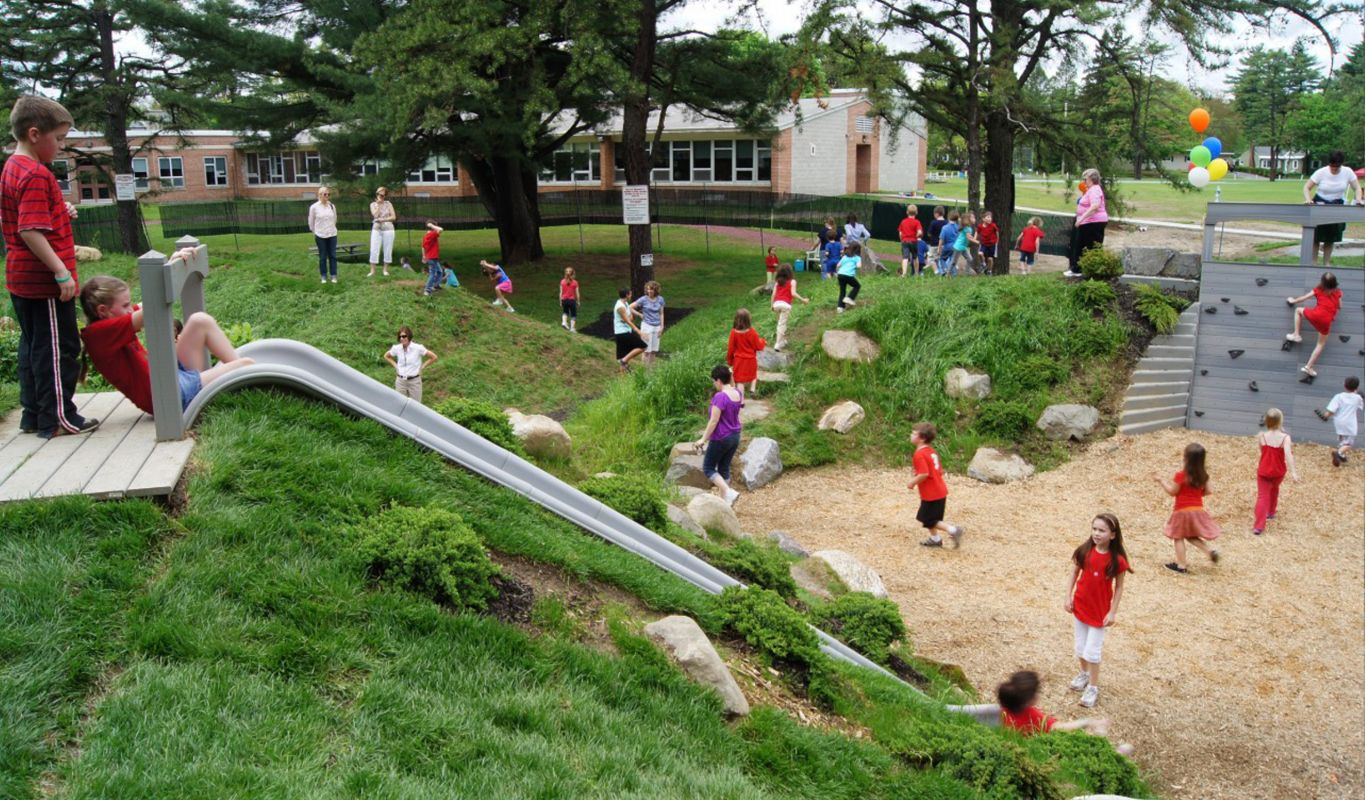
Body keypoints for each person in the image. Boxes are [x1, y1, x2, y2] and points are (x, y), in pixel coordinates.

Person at [3, 96, 99, 438]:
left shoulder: (12, 167)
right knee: (59, 350)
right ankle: (59, 417)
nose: (61, 146)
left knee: (33, 348)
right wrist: (61, 271)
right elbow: (29, 229)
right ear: (33, 134)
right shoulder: (35, 174)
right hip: (44, 283)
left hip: (21, 280)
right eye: (58, 139)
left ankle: (34, 415)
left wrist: (60, 210)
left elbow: (25, 215)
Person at [78, 273, 255, 415]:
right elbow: (153, 306)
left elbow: (146, 304)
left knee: (199, 321)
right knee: (246, 365)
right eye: (125, 305)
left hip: (172, 378)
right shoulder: (98, 334)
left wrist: (174, 264)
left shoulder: (111, 324)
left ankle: (244, 383)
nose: (130, 309)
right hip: (169, 397)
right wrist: (172, 271)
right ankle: (252, 385)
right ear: (103, 310)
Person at [1064, 513, 1131, 708]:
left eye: (1102, 530)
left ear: (1112, 535)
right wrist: (1068, 596)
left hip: (1099, 613)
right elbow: (1074, 573)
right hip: (1081, 607)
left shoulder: (1117, 560)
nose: (1096, 533)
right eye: (1094, 529)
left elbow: (1119, 587)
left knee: (1092, 651)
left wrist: (1112, 612)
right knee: (1080, 646)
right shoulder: (1085, 551)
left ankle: (1093, 687)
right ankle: (1084, 674)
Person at [997, 671, 1134, 755]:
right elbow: (1061, 728)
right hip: (1043, 750)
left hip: (1022, 748)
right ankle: (1114, 754)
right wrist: (1088, 722)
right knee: (1081, 748)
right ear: (1030, 700)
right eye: (1038, 691)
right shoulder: (1031, 715)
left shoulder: (1006, 707)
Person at [1156, 443, 1221, 574]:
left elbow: (1172, 492)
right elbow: (1209, 491)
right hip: (1198, 510)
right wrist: (1196, 494)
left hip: (1182, 511)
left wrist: (1161, 481)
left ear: (1186, 459)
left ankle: (1181, 565)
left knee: (1178, 537)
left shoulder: (1181, 475)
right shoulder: (1204, 476)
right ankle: (1209, 552)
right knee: (1191, 536)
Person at [908, 422, 964, 549]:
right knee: (932, 518)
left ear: (921, 438)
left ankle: (954, 530)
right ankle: (935, 539)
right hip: (940, 490)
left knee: (928, 519)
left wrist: (912, 482)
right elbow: (938, 471)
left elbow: (924, 474)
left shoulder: (919, 454)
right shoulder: (931, 451)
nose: (911, 435)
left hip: (931, 493)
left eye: (914, 433)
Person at [693, 364, 743, 506]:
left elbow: (714, 420)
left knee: (708, 468)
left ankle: (728, 492)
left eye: (714, 381)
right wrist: (731, 374)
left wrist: (703, 439)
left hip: (721, 437)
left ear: (719, 381)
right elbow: (732, 384)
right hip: (735, 436)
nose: (714, 384)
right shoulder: (737, 393)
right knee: (724, 468)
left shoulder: (720, 397)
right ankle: (724, 503)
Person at [1303, 150, 1363, 265]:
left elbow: (1357, 188)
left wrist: (1359, 199)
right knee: (1316, 236)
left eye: (1337, 167)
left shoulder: (1347, 171)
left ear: (1341, 164)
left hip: (1337, 205)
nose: (1334, 169)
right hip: (1320, 204)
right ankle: (1313, 262)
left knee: (1331, 237)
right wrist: (1308, 199)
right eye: (1332, 166)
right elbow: (1307, 187)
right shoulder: (1321, 172)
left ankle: (1326, 263)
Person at [1285, 271, 1342, 377]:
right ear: (1335, 283)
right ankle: (1308, 367)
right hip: (1326, 321)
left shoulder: (1318, 290)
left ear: (1322, 282)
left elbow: (1304, 297)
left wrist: (1293, 300)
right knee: (1320, 344)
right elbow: (1340, 306)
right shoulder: (1338, 292)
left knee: (1298, 310)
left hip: (1315, 315)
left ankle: (1296, 334)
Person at [1253, 408, 1298, 534]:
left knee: (1262, 497)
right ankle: (1271, 512)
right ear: (1280, 421)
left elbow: (1262, 451)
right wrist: (1293, 472)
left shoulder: (1262, 436)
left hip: (1264, 471)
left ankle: (1259, 526)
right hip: (1278, 471)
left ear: (1266, 421)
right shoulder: (1285, 438)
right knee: (1274, 489)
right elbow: (1289, 455)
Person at [1067, 169, 1108, 277]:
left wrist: (1081, 219)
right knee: (1080, 245)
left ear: (1091, 179)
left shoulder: (1095, 190)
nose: (1084, 181)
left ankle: (1087, 270)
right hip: (1088, 222)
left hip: (1093, 223)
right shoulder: (1090, 190)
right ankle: (1078, 269)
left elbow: (1095, 206)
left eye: (1085, 179)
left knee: (1090, 246)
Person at [1316, 376, 1364, 467]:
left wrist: (1325, 416)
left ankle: (1341, 455)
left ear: (1344, 385)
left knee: (1343, 440)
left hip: (1338, 422)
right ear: (1357, 387)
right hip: (1350, 424)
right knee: (1349, 443)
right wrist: (1358, 394)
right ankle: (1338, 453)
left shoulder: (1338, 396)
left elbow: (1331, 410)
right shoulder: (1358, 398)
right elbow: (1361, 404)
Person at [383, 325, 437, 404]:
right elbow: (386, 356)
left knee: (416, 406)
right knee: (399, 404)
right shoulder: (396, 348)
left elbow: (433, 357)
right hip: (400, 381)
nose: (402, 338)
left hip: (414, 381)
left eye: (404, 336)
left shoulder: (418, 348)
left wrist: (422, 367)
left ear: (409, 336)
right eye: (400, 337)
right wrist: (396, 366)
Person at [726, 308, 766, 397]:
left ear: (736, 319)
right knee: (753, 374)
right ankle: (752, 389)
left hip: (739, 361)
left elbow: (730, 349)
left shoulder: (733, 333)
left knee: (740, 381)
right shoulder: (752, 332)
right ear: (748, 320)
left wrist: (730, 361)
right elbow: (758, 346)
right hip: (751, 360)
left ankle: (741, 401)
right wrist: (763, 341)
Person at [770, 265, 809, 352]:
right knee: (782, 324)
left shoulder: (778, 282)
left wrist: (771, 306)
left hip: (776, 304)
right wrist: (803, 300)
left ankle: (783, 341)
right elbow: (793, 293)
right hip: (785, 306)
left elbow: (773, 295)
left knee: (780, 323)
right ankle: (777, 344)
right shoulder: (792, 281)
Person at [307, 185, 339, 284]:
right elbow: (311, 222)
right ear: (319, 195)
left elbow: (334, 219)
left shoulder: (332, 206)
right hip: (320, 235)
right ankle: (323, 276)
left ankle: (333, 275)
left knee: (333, 255)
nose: (327, 196)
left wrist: (331, 228)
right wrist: (315, 232)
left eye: (328, 194)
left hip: (332, 234)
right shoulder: (314, 207)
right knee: (323, 256)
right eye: (325, 194)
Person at [631, 280, 666, 367]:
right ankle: (644, 371)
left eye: (651, 289)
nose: (649, 291)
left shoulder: (660, 299)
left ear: (656, 290)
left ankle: (651, 371)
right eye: (648, 289)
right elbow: (630, 307)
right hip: (647, 326)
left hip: (657, 327)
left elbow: (661, 313)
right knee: (646, 350)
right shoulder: (643, 299)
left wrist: (662, 327)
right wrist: (639, 314)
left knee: (653, 351)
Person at [612, 287, 646, 370]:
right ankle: (624, 361)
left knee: (622, 357)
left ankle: (622, 377)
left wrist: (637, 315)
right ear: (627, 295)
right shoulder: (620, 307)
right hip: (622, 333)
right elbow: (628, 321)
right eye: (630, 294)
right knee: (643, 346)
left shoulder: (625, 304)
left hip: (625, 331)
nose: (631, 295)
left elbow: (630, 318)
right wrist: (638, 330)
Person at [368, 186, 396, 277]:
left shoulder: (389, 204)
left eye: (383, 195)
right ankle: (372, 271)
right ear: (376, 194)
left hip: (388, 229)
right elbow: (375, 215)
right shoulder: (373, 204)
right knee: (374, 249)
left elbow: (393, 217)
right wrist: (379, 205)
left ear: (385, 196)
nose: (380, 196)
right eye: (379, 194)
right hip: (376, 229)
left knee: (387, 249)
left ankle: (385, 270)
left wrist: (383, 220)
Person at [835, 241, 862, 312]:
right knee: (857, 286)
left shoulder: (845, 257)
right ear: (858, 250)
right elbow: (859, 266)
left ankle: (840, 307)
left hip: (840, 275)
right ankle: (849, 298)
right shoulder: (857, 258)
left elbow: (838, 265)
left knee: (842, 291)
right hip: (848, 275)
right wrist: (855, 266)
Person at [898, 205, 924, 277]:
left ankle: (904, 274)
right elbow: (919, 232)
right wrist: (917, 236)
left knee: (905, 258)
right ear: (916, 213)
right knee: (915, 257)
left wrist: (901, 239)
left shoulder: (903, 222)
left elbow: (900, 233)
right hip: (913, 241)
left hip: (905, 241)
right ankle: (916, 273)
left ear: (907, 212)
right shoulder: (917, 222)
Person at [421, 221, 444, 297]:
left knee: (440, 271)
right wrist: (432, 225)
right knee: (432, 274)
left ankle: (435, 285)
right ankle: (427, 290)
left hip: (431, 257)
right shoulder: (432, 234)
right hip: (432, 257)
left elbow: (423, 247)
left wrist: (423, 256)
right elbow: (441, 229)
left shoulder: (425, 236)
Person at [937, 210, 960, 276]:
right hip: (956, 247)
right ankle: (954, 274)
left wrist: (939, 248)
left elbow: (941, 239)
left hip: (947, 247)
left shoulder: (945, 228)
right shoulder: (958, 227)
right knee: (953, 260)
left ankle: (945, 270)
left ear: (949, 217)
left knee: (942, 258)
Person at [977, 210, 999, 275]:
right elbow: (978, 232)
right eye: (988, 217)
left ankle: (989, 271)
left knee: (990, 259)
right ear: (983, 219)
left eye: (990, 217)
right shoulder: (980, 226)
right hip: (984, 244)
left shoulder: (993, 225)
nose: (989, 219)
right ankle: (983, 264)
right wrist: (975, 239)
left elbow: (997, 232)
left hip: (992, 245)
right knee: (980, 254)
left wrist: (997, 241)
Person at [927, 206, 947, 272]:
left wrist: (932, 236)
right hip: (944, 244)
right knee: (941, 258)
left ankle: (937, 271)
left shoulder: (933, 223)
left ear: (936, 214)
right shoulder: (946, 223)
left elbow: (929, 233)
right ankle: (943, 270)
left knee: (930, 259)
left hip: (934, 244)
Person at [559, 267, 579, 332]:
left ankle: (564, 322)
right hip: (572, 300)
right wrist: (578, 301)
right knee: (573, 314)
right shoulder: (575, 282)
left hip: (564, 300)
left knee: (565, 312)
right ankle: (572, 328)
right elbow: (577, 293)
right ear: (573, 274)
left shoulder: (562, 281)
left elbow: (560, 293)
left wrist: (560, 301)